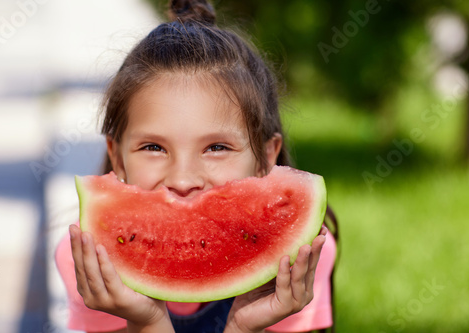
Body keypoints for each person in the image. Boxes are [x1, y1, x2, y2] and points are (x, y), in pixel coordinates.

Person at [55, 0, 338, 332]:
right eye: (154, 147)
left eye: (216, 147)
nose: (183, 179)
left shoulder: (300, 258)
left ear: (266, 157)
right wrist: (146, 321)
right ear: (117, 157)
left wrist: (245, 327)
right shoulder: (90, 262)